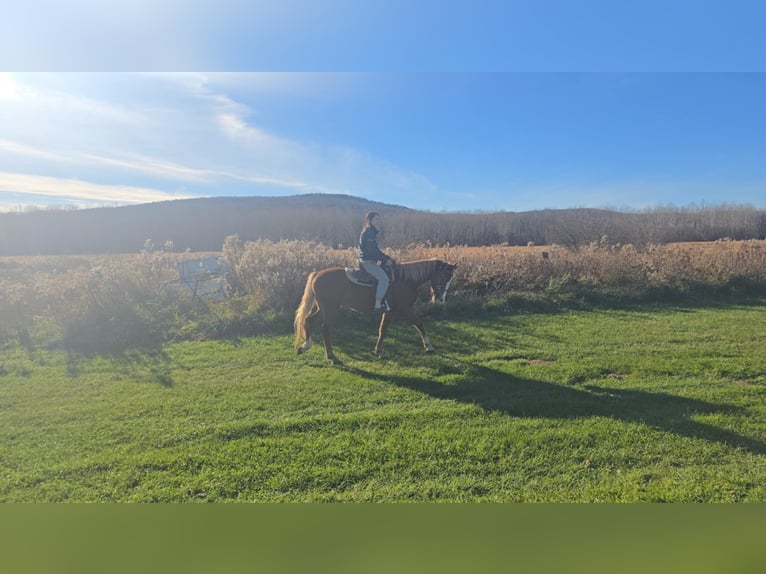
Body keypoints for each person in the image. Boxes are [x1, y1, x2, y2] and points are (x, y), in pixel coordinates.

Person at [358, 211, 393, 316]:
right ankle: (377, 305)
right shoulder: (368, 232)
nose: (378, 221)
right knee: (384, 279)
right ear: (370, 220)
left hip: (370, 260)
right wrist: (385, 260)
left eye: (379, 219)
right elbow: (372, 252)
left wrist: (386, 257)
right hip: (367, 261)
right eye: (376, 219)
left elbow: (376, 250)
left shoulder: (371, 232)